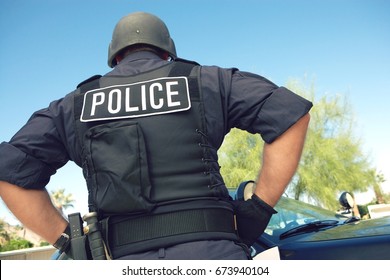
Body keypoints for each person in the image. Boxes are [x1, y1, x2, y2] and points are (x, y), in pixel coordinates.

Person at [0, 12, 312, 260]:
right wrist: (258, 209)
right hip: (214, 255)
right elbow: (289, 114)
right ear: (167, 51)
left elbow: (9, 172)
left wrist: (69, 242)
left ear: (115, 56)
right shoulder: (207, 81)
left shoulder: (75, 105)